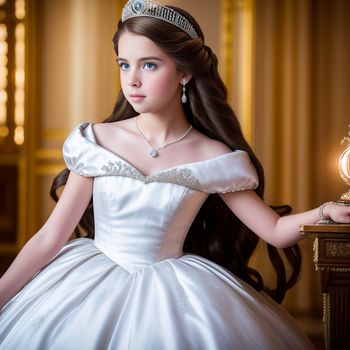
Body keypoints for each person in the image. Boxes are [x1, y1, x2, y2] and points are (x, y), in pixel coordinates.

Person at [0, 0, 349, 349]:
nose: (132, 80)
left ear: (184, 72)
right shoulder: (97, 141)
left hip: (174, 293)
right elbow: (50, 238)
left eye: (149, 65)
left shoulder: (214, 157)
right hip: (86, 283)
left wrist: (324, 212)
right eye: (124, 64)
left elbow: (273, 230)